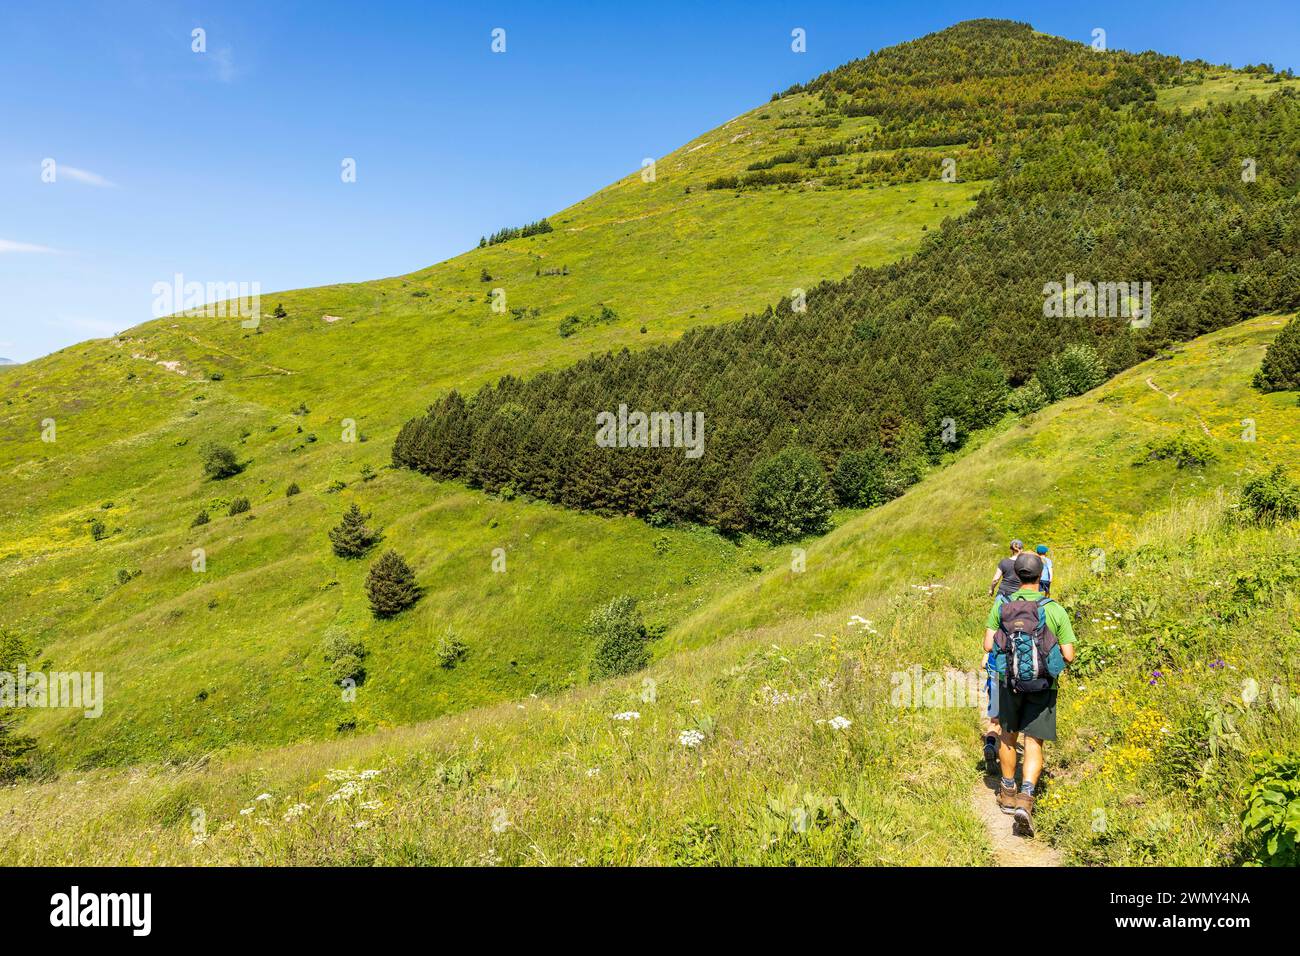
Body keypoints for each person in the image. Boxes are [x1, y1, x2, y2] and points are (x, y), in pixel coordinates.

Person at [982, 551, 1076, 837]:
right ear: (1040, 576)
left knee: (1008, 736)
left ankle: (1007, 791)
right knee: (1033, 741)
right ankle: (1026, 798)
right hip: (1043, 684)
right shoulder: (1055, 608)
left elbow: (988, 646)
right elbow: (1069, 655)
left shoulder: (1002, 604)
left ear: (1016, 574)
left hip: (1008, 681)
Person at [980, 540, 1023, 772]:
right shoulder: (1036, 607)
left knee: (995, 718)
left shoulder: (1004, 563)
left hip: (998, 666)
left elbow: (989, 642)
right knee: (1014, 722)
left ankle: (990, 742)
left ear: (1010, 548)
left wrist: (992, 588)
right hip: (1023, 672)